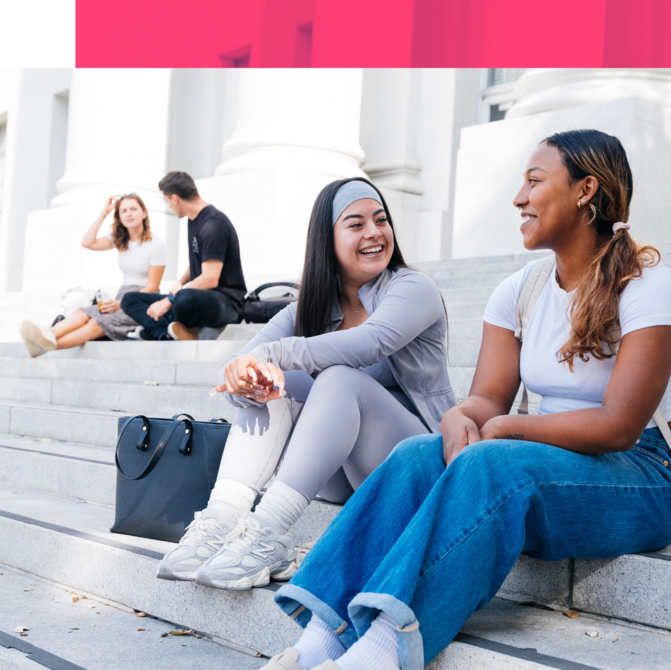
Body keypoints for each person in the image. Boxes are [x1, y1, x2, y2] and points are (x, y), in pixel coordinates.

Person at [213, 129, 671, 670]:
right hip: (547, 461)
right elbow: (487, 398)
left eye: (535, 181)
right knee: (418, 453)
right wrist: (462, 418)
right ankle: (317, 649)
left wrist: (508, 428)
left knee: (494, 465)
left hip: (642, 478)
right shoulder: (520, 290)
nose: (518, 197)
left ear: (587, 191)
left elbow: (620, 425)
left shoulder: (647, 286)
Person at [155, 177, 453, 595]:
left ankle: (269, 529)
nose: (374, 233)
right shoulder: (306, 309)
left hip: (415, 461)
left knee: (336, 377)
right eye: (356, 224)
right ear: (326, 239)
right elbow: (243, 369)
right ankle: (221, 521)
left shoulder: (412, 288)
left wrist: (271, 356)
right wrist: (246, 376)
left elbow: (368, 344)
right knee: (273, 380)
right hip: (339, 474)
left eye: (380, 220)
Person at [18, 193, 165, 357]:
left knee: (94, 324)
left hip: (141, 303)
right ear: (119, 217)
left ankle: (43, 346)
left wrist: (121, 303)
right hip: (120, 297)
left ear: (144, 213)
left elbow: (152, 287)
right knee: (82, 312)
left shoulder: (156, 244)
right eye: (123, 211)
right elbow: (87, 242)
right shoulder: (120, 239)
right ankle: (45, 334)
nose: (129, 214)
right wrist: (104, 213)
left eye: (133, 209)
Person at [122, 171, 246, 340]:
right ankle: (164, 333)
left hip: (226, 304)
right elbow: (200, 261)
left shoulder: (213, 224)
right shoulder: (193, 220)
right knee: (130, 299)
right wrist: (180, 282)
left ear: (175, 198)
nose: (170, 207)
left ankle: (162, 327)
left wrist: (169, 300)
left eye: (167, 202)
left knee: (183, 298)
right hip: (196, 298)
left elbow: (210, 278)